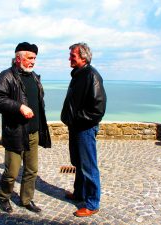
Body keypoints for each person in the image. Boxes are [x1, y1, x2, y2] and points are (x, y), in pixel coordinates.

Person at [0, 42, 51, 214]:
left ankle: (26, 200)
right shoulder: (6, 76)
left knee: (32, 170)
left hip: (33, 133)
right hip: (16, 132)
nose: (33, 62)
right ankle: (4, 198)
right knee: (11, 172)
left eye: (34, 58)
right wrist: (19, 107)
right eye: (29, 58)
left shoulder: (34, 77)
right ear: (18, 59)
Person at [61, 42, 107, 217]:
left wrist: (78, 119)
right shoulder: (79, 74)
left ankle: (92, 203)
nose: (69, 59)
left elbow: (98, 109)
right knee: (78, 163)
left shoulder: (91, 75)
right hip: (76, 127)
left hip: (85, 128)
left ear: (83, 57)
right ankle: (79, 193)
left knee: (88, 166)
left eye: (72, 56)